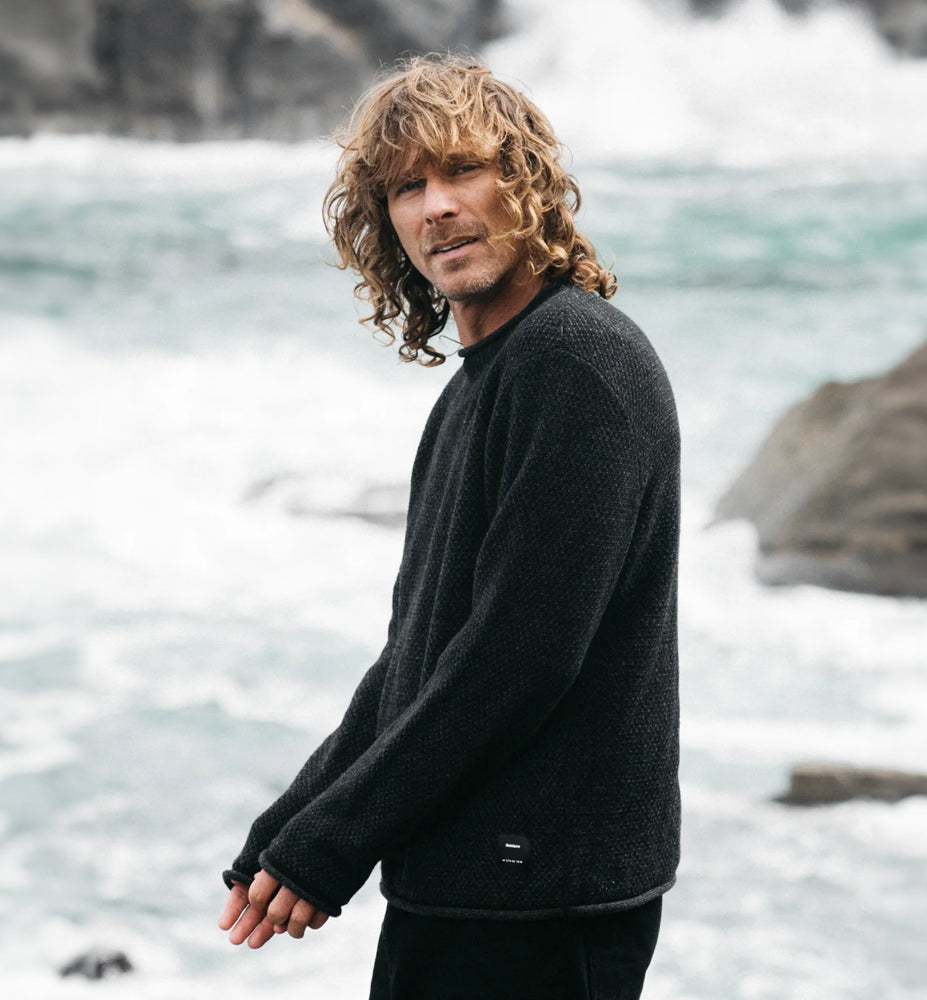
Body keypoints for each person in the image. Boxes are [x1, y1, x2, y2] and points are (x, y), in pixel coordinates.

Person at [218, 54, 681, 1000]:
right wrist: (297, 821)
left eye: (463, 169)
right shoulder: (481, 386)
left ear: (528, 182)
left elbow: (518, 656)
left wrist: (336, 841)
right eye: (407, 187)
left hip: (544, 900)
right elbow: (419, 653)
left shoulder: (574, 366)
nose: (437, 207)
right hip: (467, 880)